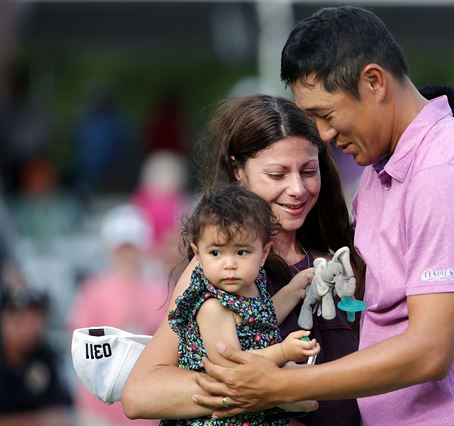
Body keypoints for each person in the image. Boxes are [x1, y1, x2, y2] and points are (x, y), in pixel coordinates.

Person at [189, 6, 454, 426]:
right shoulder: (383, 171)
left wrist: (279, 386)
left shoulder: (443, 172)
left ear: (374, 82)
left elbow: (430, 352)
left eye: (326, 115)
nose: (324, 135)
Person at [122, 94, 362, 426]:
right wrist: (266, 391)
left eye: (309, 171)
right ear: (239, 171)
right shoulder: (223, 269)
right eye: (277, 175)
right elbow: (141, 393)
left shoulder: (342, 256)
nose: (297, 188)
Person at [163, 184, 320, 426]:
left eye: (242, 252)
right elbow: (233, 367)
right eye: (216, 253)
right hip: (221, 417)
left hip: (250, 407)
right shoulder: (211, 306)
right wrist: (283, 353)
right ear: (198, 253)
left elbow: (261, 320)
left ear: (263, 253)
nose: (229, 264)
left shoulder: (250, 285)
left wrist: (293, 290)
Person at [68, 204, 166, 426]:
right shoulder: (94, 289)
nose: (128, 255)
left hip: (147, 402)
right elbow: (76, 344)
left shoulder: (159, 289)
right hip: (99, 407)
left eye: (132, 247)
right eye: (122, 248)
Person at [0, 283, 73, 426]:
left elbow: (62, 412)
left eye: (35, 317)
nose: (29, 326)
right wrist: (37, 421)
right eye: (19, 318)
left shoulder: (46, 357)